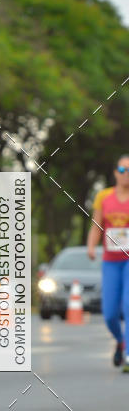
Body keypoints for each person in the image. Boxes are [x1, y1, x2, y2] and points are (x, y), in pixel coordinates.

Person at [88, 156, 129, 370]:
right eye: (122, 169)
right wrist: (91, 246)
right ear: (115, 172)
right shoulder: (104, 196)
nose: (126, 174)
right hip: (111, 262)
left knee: (128, 305)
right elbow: (96, 225)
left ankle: (128, 354)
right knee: (110, 313)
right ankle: (120, 341)